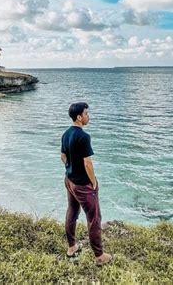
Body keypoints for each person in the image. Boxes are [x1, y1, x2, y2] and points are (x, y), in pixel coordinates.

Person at [61, 102, 113, 266]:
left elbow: (62, 157)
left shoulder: (66, 134)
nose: (88, 116)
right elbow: (88, 164)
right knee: (94, 219)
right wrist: (94, 183)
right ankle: (99, 256)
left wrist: (71, 169)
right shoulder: (83, 136)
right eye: (86, 114)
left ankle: (72, 248)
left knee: (72, 212)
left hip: (69, 181)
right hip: (83, 185)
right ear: (79, 117)